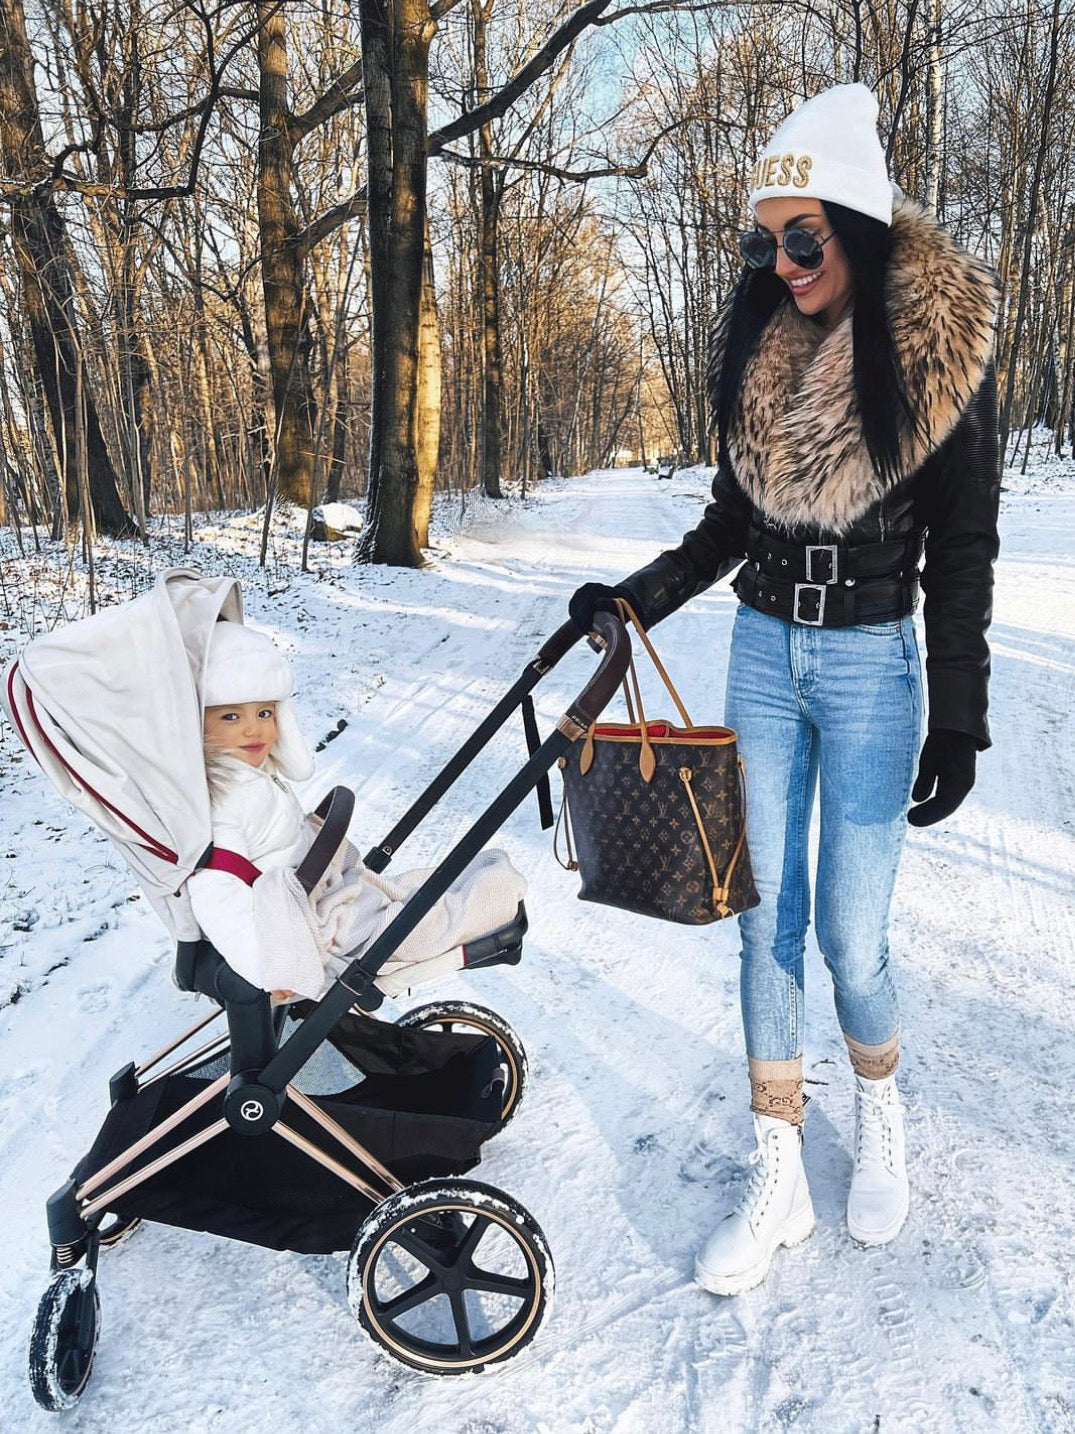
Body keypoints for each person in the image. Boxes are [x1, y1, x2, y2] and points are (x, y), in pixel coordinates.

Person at [569, 83, 1000, 1295]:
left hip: (872, 668)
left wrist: (956, 712)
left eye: (801, 237)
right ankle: (774, 1172)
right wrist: (636, 598)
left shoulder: (938, 361)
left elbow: (963, 549)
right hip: (762, 653)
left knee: (853, 941)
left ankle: (878, 1112)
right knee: (765, 918)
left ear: (857, 227)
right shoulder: (760, 349)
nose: (782, 260)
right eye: (767, 239)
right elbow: (727, 522)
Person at [189, 620, 527, 1002]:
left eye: (265, 714)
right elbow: (216, 891)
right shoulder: (223, 802)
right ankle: (492, 900)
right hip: (319, 927)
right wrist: (270, 969)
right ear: (196, 725)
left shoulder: (252, 777)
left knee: (409, 891)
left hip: (333, 898)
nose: (255, 730)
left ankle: (481, 884)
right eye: (231, 717)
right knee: (420, 927)